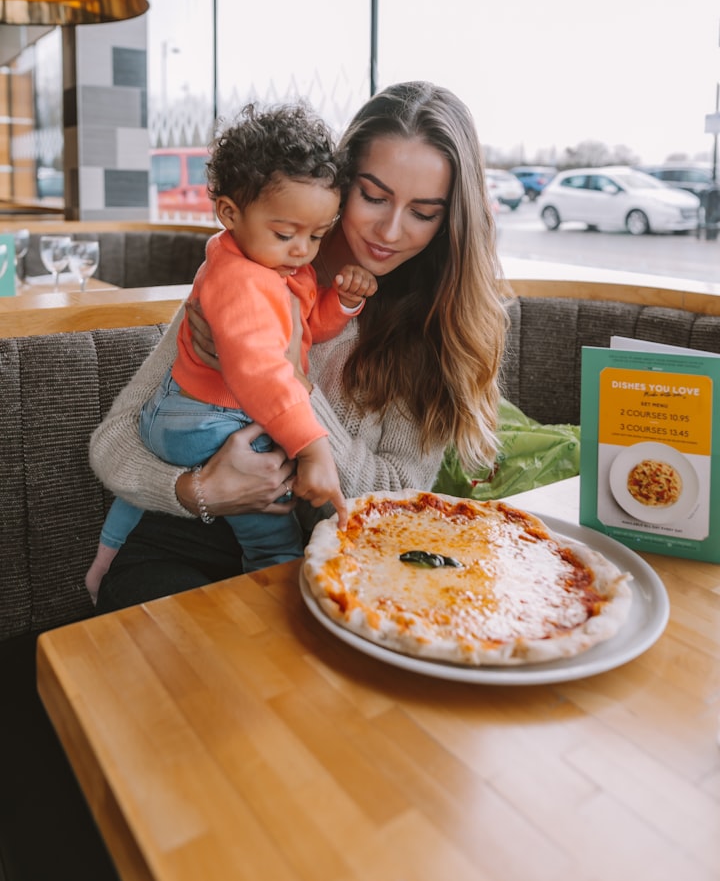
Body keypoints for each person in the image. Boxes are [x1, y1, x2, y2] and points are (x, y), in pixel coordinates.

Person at [88, 81, 508, 612]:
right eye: (373, 197)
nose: (390, 229)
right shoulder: (251, 269)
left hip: (322, 563)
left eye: (423, 212)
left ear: (450, 220)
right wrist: (199, 491)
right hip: (180, 539)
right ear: (340, 183)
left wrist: (291, 379)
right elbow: (113, 438)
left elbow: (397, 500)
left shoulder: (434, 332)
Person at [85, 103, 377, 602]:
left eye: (317, 235)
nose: (303, 250)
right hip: (204, 421)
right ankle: (273, 594)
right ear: (229, 213)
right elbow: (263, 370)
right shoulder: (241, 279)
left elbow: (304, 332)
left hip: (175, 417)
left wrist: (342, 302)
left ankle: (104, 559)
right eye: (287, 234)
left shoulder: (268, 263)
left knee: (133, 504)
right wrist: (312, 447)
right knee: (274, 535)